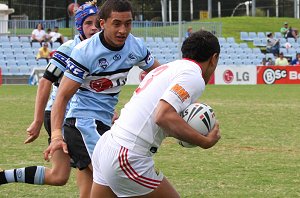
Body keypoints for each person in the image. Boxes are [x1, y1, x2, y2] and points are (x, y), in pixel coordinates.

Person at [43, 0, 160, 197]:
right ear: (102, 23)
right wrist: (56, 136)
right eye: (116, 23)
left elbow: (159, 73)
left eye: (128, 23)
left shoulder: (136, 46)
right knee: (115, 179)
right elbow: (62, 97)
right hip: (82, 124)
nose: (123, 30)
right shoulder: (85, 51)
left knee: (101, 187)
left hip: (107, 125)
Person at [90, 30, 221, 198]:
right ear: (214, 58)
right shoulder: (193, 76)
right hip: (127, 154)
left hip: (108, 144)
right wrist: (204, 141)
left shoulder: (169, 67)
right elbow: (163, 116)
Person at [0, 1, 100, 197]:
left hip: (81, 116)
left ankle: (3, 177)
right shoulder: (70, 49)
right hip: (61, 116)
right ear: (79, 26)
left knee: (59, 176)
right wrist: (37, 121)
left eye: (97, 23)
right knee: (98, 171)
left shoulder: (100, 49)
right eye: (88, 23)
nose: (94, 27)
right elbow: (45, 82)